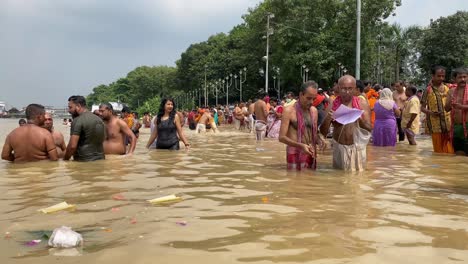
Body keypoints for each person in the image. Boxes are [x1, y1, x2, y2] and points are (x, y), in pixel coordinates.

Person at [320, 75, 372, 171]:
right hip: (339, 147)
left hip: (357, 148)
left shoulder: (362, 103)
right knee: (339, 180)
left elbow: (369, 128)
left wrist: (359, 120)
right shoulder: (333, 104)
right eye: (343, 89)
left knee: (358, 179)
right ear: (338, 89)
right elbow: (323, 132)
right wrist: (328, 118)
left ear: (355, 89)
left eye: (350, 89)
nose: (347, 92)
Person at [279, 81, 323, 170]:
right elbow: (281, 137)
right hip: (294, 153)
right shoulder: (289, 111)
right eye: (308, 98)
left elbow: (313, 133)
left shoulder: (314, 111)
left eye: (314, 99)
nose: (311, 102)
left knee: (310, 181)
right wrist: (301, 146)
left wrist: (320, 140)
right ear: (301, 94)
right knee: (295, 181)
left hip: (310, 152)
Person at [420, 65, 454, 153]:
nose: (441, 78)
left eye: (443, 76)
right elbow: (422, 108)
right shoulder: (428, 90)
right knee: (439, 152)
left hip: (449, 124)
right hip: (436, 126)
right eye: (439, 76)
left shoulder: (448, 88)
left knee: (450, 151)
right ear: (433, 76)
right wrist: (431, 113)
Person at [63, 95, 106, 161]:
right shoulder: (99, 120)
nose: (69, 110)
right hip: (101, 159)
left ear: (78, 106)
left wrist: (65, 160)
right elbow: (103, 139)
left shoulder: (78, 120)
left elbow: (72, 146)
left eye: (70, 107)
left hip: (83, 162)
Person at [445, 67, 468, 155]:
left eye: (465, 77)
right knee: (458, 154)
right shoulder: (451, 91)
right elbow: (446, 109)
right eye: (460, 77)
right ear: (455, 79)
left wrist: (462, 107)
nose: (463, 79)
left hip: (467, 125)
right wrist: (450, 102)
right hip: (456, 127)